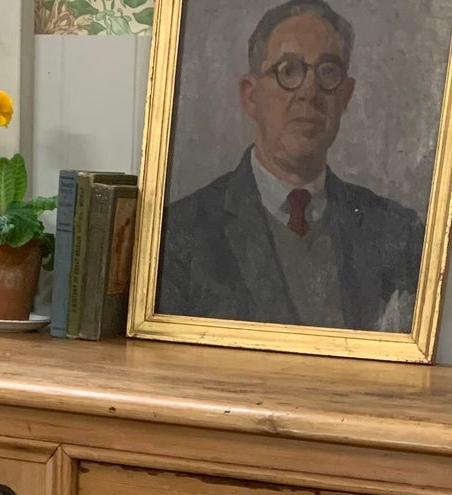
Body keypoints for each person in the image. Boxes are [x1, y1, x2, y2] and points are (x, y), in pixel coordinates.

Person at [158, 0, 425, 332]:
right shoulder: (180, 235)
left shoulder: (398, 233)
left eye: (327, 72)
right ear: (250, 96)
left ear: (346, 95)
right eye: (288, 71)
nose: (309, 92)